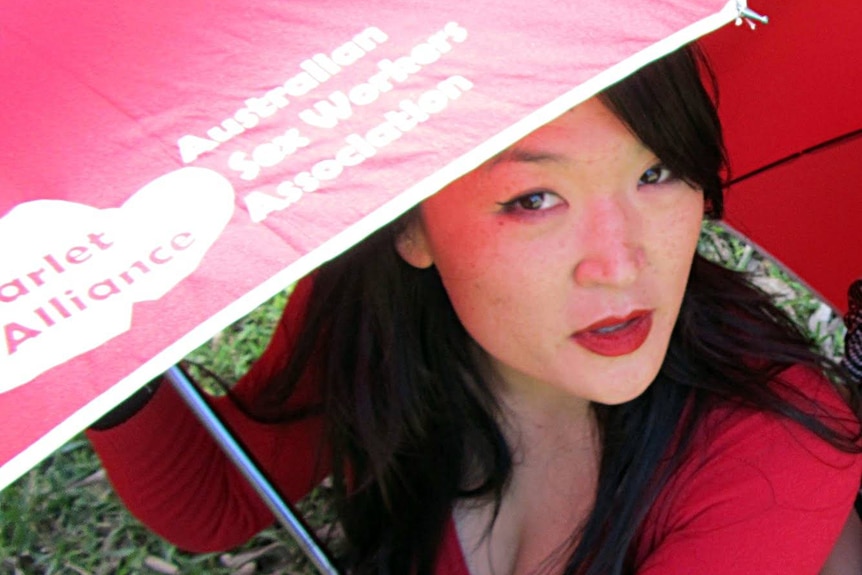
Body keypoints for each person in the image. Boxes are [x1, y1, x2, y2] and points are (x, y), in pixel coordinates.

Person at [87, 45, 862, 574]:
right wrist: (95, 331)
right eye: (533, 199)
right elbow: (216, 496)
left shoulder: (772, 451)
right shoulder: (374, 317)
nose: (622, 264)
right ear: (408, 225)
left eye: (656, 172)